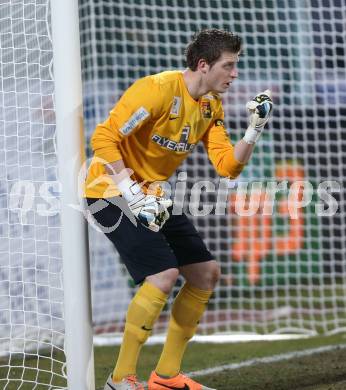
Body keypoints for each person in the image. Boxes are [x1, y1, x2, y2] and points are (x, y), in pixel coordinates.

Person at [84, 28, 273, 390]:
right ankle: (120, 379)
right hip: (108, 190)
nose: (235, 74)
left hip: (153, 193)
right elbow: (103, 138)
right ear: (203, 65)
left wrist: (253, 131)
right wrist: (130, 191)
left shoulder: (209, 106)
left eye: (236, 66)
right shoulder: (156, 90)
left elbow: (227, 167)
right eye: (228, 66)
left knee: (205, 273)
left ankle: (166, 377)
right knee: (163, 275)